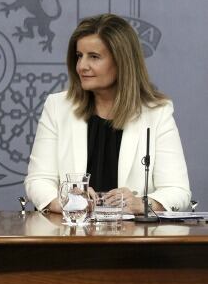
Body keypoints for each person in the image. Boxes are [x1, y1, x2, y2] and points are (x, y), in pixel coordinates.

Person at [25, 13, 191, 214]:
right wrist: (65, 201)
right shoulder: (57, 106)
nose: (81, 66)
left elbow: (178, 191)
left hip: (135, 241)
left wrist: (141, 204)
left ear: (122, 61)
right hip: (70, 236)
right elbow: (38, 180)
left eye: (94, 57)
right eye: (79, 56)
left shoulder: (157, 112)